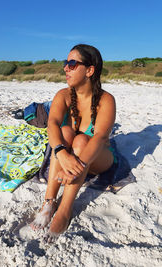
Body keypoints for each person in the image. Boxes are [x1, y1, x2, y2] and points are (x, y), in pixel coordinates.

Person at [30, 44, 116, 242]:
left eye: (71, 63)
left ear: (89, 70)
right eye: (65, 63)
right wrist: (61, 153)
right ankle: (49, 202)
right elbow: (51, 123)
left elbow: (101, 137)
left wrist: (73, 168)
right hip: (71, 155)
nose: (65, 68)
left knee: (81, 139)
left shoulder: (106, 100)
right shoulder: (63, 95)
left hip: (98, 158)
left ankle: (65, 210)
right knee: (65, 131)